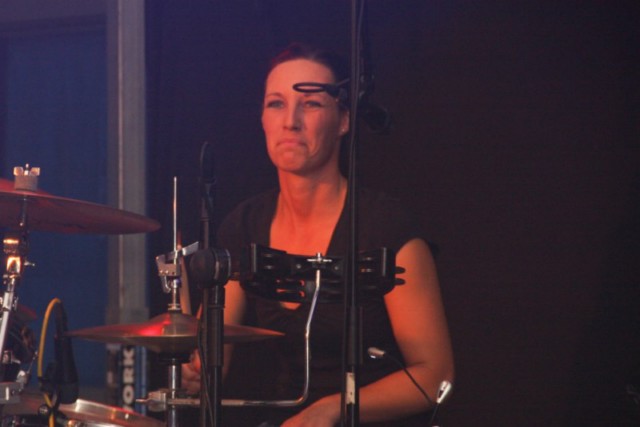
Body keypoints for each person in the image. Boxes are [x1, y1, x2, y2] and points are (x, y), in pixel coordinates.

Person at [182, 42, 454, 426]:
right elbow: (213, 360)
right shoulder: (244, 227)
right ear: (262, 119)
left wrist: (333, 409)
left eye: (310, 104)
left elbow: (435, 376)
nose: (290, 121)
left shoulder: (385, 227)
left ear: (343, 120)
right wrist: (194, 371)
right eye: (276, 103)